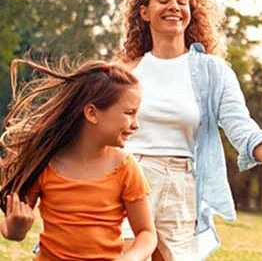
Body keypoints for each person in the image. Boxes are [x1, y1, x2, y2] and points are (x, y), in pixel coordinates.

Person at [116, 0, 262, 261]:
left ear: (191, 13)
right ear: (143, 12)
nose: (174, 7)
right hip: (125, 176)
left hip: (180, 184)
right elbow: (91, 128)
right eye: (163, 0)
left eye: (182, 1)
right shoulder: (124, 70)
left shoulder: (212, 71)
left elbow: (243, 130)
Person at [0, 59, 156, 261]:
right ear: (92, 113)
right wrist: (16, 227)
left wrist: (131, 257)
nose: (136, 125)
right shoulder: (45, 163)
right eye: (129, 113)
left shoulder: (125, 168)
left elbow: (147, 233)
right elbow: (12, 232)